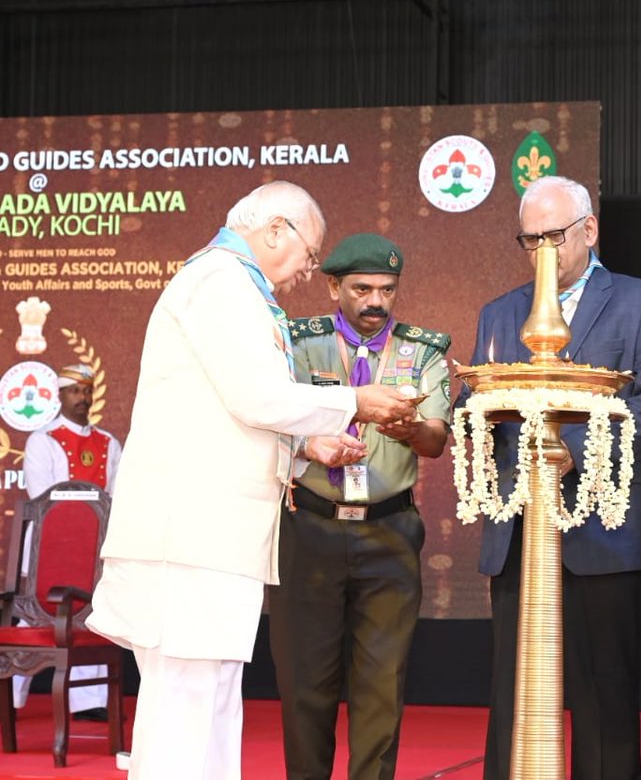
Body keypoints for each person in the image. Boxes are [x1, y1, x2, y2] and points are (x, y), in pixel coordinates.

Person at [85, 180, 418, 780]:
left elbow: (226, 412)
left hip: (210, 537)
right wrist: (356, 403)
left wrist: (304, 448)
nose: (306, 271)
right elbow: (255, 397)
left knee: (210, 701)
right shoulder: (221, 282)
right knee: (186, 706)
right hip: (189, 534)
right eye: (310, 255)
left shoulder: (235, 286)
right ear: (274, 230)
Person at [462, 175, 641, 780]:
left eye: (553, 237)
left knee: (603, 701)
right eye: (530, 240)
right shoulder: (500, 312)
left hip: (605, 535)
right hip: (519, 532)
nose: (542, 252)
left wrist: (568, 452)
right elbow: (473, 402)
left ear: (588, 231)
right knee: (513, 698)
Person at [268, 233, 451, 780]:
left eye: (387, 290)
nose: (376, 301)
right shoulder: (299, 345)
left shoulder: (425, 351)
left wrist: (412, 427)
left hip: (389, 532)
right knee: (306, 683)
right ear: (333, 287)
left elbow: (435, 440)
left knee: (382, 684)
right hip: (311, 530)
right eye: (362, 288)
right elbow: (274, 422)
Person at [12, 363, 123, 721]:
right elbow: (40, 496)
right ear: (59, 395)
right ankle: (10, 698)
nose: (82, 398)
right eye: (74, 391)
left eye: (87, 391)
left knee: (92, 615)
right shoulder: (42, 441)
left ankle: (89, 702)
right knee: (33, 616)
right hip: (48, 547)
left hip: (93, 549)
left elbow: (116, 499)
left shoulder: (109, 443)